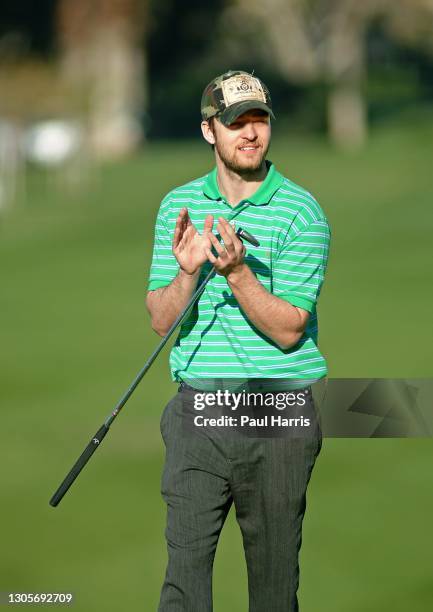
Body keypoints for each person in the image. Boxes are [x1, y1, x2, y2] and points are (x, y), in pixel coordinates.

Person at [146, 70, 331, 612]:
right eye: (235, 123)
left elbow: (289, 329)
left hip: (277, 411)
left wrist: (236, 273)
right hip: (199, 408)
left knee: (273, 594)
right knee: (182, 588)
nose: (250, 134)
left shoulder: (302, 212)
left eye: (259, 121)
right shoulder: (176, 206)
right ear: (210, 131)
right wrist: (185, 275)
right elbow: (161, 321)